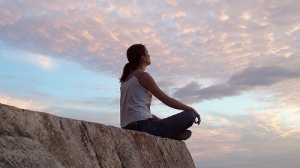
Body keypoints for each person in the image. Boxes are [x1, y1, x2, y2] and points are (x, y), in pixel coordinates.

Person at [120, 44, 201, 140]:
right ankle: (170, 133)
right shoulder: (143, 76)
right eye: (147, 53)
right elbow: (167, 100)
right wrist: (191, 109)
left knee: (157, 119)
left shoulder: (125, 81)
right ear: (143, 58)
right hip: (143, 126)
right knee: (190, 116)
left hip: (128, 126)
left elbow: (136, 110)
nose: (149, 55)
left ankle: (169, 131)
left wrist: (158, 119)